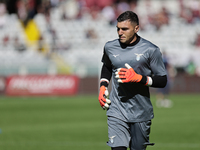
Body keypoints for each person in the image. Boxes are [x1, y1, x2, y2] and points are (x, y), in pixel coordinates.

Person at [98, 11, 167, 150]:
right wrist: (103, 86)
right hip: (116, 111)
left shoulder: (151, 50)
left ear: (136, 28)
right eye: (118, 28)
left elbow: (162, 80)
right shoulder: (110, 47)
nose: (120, 32)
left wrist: (139, 78)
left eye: (124, 29)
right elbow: (107, 66)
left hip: (141, 112)